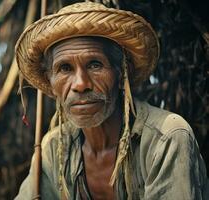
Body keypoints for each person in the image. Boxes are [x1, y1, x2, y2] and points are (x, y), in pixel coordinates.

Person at [14, 2, 209, 200]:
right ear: (51, 82)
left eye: (95, 64)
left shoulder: (166, 138)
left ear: (121, 73)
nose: (81, 84)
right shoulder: (55, 148)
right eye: (65, 68)